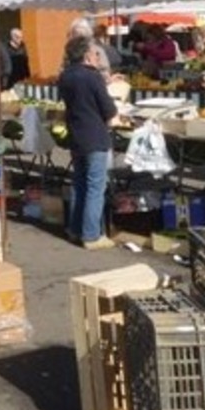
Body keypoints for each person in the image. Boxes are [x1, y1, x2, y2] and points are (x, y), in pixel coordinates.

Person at [58, 34, 120, 249]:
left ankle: (75, 229)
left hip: (76, 134)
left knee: (79, 184)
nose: (97, 57)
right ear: (86, 56)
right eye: (95, 53)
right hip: (95, 135)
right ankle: (92, 235)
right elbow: (108, 108)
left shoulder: (65, 76)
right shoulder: (92, 77)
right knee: (95, 186)